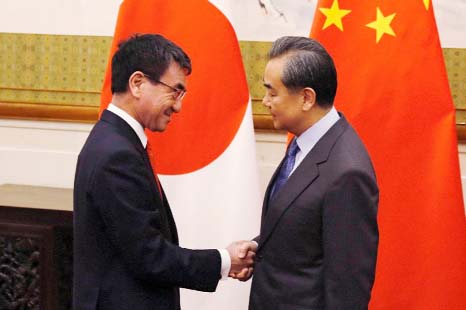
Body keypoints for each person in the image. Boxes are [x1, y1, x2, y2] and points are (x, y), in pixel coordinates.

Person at [73, 34, 255, 310]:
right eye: (175, 90)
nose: (178, 106)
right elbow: (149, 256)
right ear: (137, 83)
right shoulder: (116, 154)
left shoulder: (116, 140)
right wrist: (225, 260)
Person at [246, 36, 379, 309]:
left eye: (272, 92)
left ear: (306, 98)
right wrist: (258, 247)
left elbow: (347, 288)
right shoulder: (306, 141)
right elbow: (306, 231)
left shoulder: (347, 172)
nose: (265, 101)